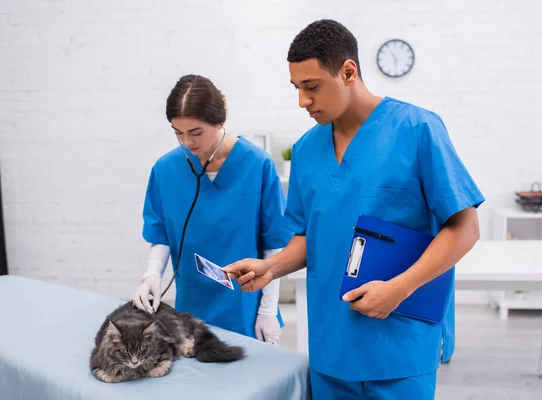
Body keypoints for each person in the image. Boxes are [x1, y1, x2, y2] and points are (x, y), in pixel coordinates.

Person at [224, 19, 485, 398]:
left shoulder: (417, 129)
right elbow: (309, 235)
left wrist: (399, 288)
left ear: (348, 71)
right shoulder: (306, 151)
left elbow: (465, 227)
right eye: (296, 88)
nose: (302, 101)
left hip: (400, 345)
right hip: (331, 346)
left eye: (312, 87)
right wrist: (271, 267)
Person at [133, 74, 292, 345]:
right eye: (178, 133)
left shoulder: (257, 165)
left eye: (196, 133)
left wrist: (266, 311)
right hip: (191, 305)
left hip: (245, 305)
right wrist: (152, 275)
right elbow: (160, 233)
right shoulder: (165, 170)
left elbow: (274, 245)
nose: (188, 142)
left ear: (220, 122)